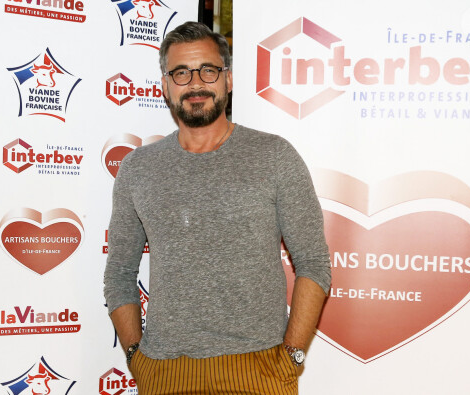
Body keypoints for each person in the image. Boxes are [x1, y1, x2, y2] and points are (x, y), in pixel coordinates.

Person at [104, 21, 331, 394]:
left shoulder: (274, 156)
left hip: (260, 369)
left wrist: (292, 357)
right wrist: (136, 357)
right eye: (181, 73)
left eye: (208, 70)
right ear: (164, 85)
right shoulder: (138, 168)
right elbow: (119, 273)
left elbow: (313, 265)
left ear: (228, 79)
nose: (195, 84)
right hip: (164, 371)